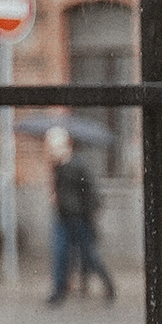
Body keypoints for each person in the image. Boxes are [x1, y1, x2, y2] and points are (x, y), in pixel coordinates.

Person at [45, 120, 117, 304]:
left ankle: (108, 285)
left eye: (53, 146)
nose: (50, 150)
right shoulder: (57, 168)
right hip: (62, 216)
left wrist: (88, 213)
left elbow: (91, 192)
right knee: (60, 254)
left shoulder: (77, 165)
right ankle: (59, 292)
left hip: (79, 218)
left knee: (89, 255)